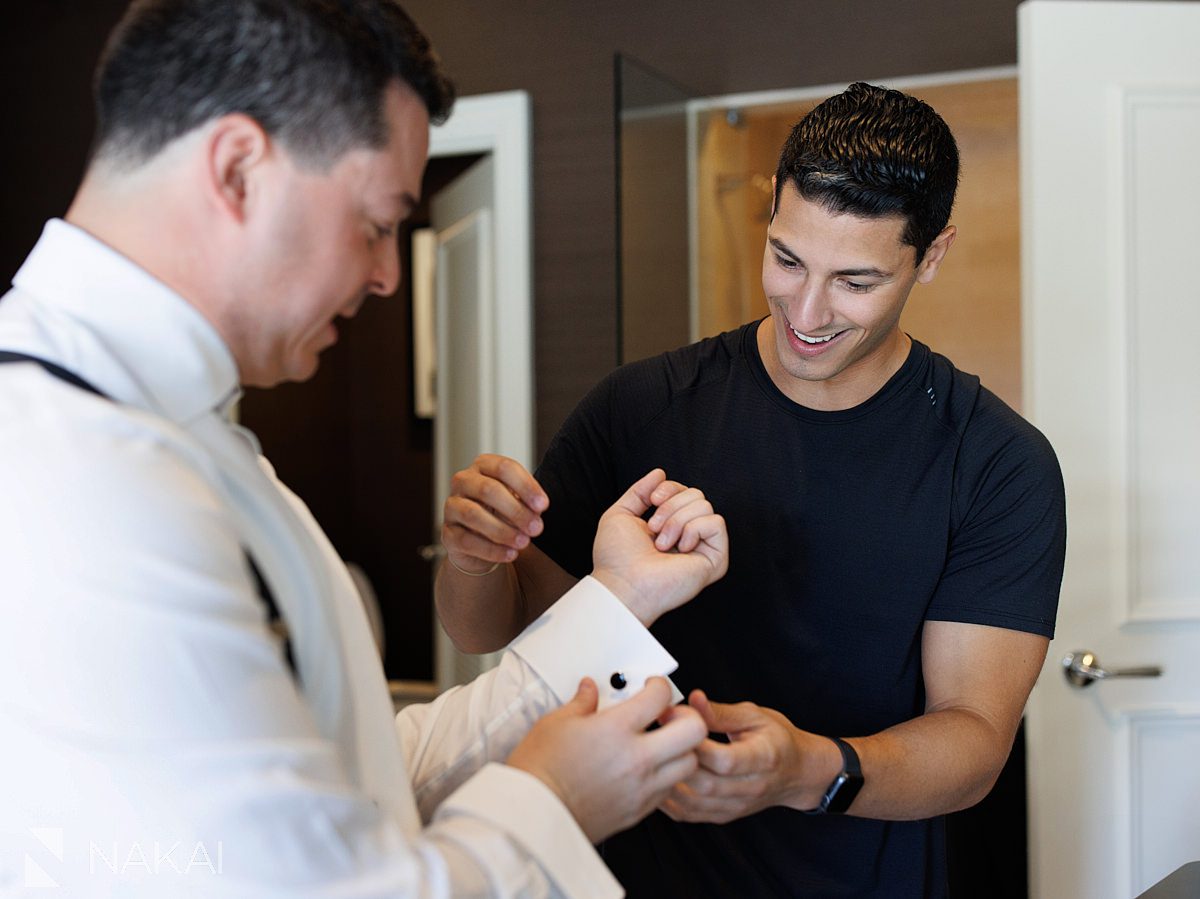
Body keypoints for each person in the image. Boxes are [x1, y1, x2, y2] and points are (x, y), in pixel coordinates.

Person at [0, 2, 731, 896]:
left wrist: (619, 600)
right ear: (237, 169)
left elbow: (358, 777)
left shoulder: (182, 434)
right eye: (378, 221)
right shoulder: (79, 478)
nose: (388, 273)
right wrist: (551, 801)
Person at [437, 83, 1067, 896]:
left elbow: (974, 741)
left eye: (855, 281)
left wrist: (806, 768)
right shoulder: (639, 408)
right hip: (625, 871)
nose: (806, 309)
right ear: (772, 209)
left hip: (860, 877)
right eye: (788, 258)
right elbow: (493, 630)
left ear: (932, 255)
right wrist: (473, 557)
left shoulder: (995, 462)